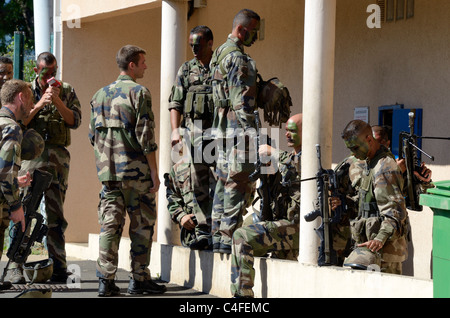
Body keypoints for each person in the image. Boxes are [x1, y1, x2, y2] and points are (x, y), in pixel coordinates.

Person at [89, 45, 165, 297]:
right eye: (142, 62)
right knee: (142, 226)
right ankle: (139, 279)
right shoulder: (140, 93)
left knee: (109, 226)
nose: (145, 66)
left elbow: (92, 136)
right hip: (136, 174)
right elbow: (146, 137)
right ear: (131, 65)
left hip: (109, 174)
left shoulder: (99, 95)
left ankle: (105, 281)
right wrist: (154, 171)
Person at [8, 52, 82, 284]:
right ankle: (15, 266)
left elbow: (75, 121)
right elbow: (19, 121)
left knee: (55, 215)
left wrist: (58, 100)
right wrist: (40, 104)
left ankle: (58, 266)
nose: (50, 78)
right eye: (45, 74)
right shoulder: (25, 92)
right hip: (31, 160)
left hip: (58, 160)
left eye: (54, 73)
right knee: (25, 212)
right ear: (36, 71)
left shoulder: (66, 90)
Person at [230, 113, 302, 298]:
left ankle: (242, 296)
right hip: (283, 226)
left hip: (299, 229)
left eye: (292, 131)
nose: (287, 134)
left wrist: (273, 152)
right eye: (285, 130)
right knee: (246, 228)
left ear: (305, 131)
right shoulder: (286, 159)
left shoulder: (307, 156)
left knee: (242, 236)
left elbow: (301, 165)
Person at [210, 8, 261, 254]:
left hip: (220, 126)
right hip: (236, 127)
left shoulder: (219, 52)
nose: (256, 37)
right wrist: (252, 132)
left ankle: (217, 236)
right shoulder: (238, 58)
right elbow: (240, 100)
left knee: (222, 180)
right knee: (237, 182)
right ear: (241, 30)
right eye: (254, 32)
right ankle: (227, 236)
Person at [168, 26, 216, 250]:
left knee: (220, 181)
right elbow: (175, 102)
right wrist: (175, 130)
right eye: (191, 46)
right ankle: (203, 229)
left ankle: (220, 230)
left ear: (209, 43)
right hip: (194, 132)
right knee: (196, 180)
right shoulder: (186, 70)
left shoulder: (221, 67)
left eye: (198, 45)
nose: (194, 49)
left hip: (219, 132)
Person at [341, 120, 408, 274]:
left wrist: (379, 239)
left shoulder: (384, 167)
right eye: (350, 149)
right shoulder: (369, 163)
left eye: (355, 148)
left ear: (369, 139)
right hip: (372, 249)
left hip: (385, 252)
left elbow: (395, 211)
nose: (353, 153)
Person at [0, 80, 35, 265]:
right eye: (30, 100)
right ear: (20, 97)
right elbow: (5, 171)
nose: (32, 105)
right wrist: (15, 206)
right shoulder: (11, 128)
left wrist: (15, 181)